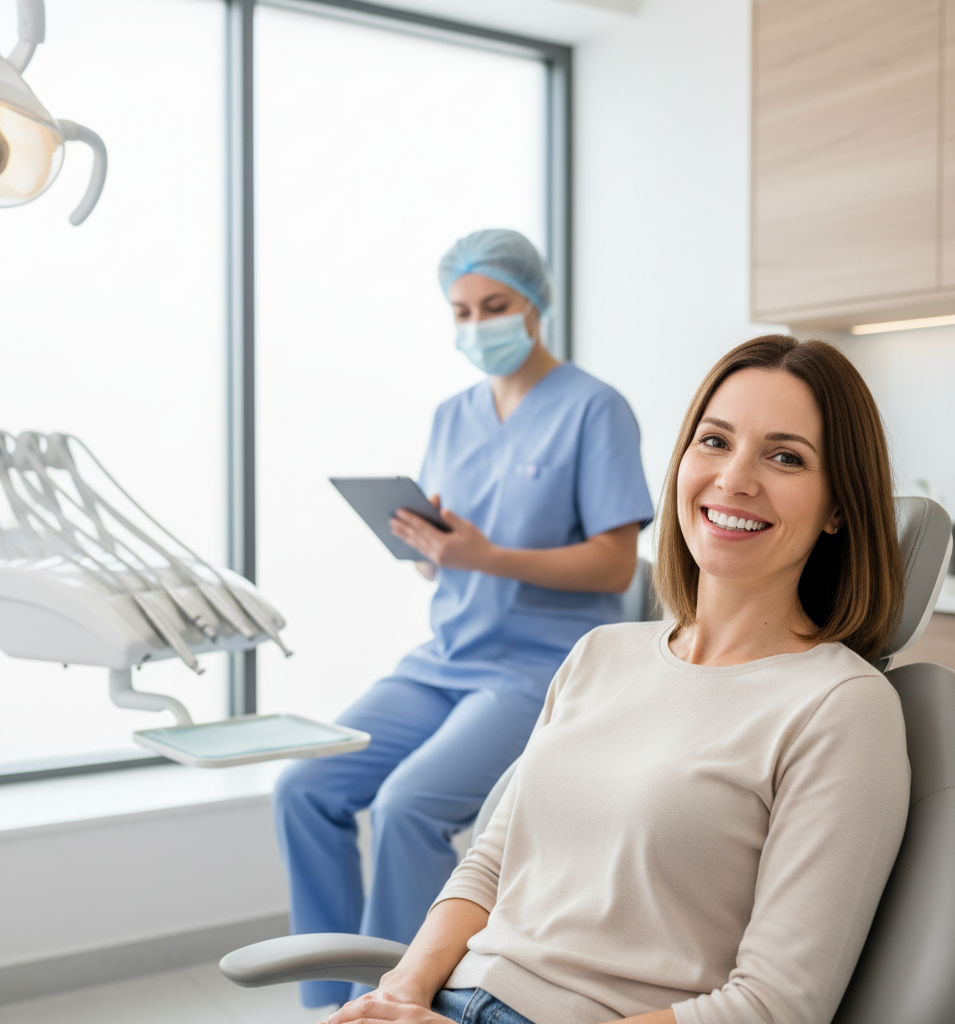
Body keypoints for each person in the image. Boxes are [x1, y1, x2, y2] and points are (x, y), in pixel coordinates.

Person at [325, 334, 911, 1024]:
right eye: (714, 442)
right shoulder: (600, 653)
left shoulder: (839, 707)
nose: (735, 479)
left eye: (785, 457)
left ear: (840, 505)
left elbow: (774, 1007)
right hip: (449, 998)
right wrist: (400, 992)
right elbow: (491, 865)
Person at [275, 228, 655, 1010]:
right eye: (461, 309)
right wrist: (429, 547)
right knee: (303, 786)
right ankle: (326, 1002)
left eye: (495, 305)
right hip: (443, 657)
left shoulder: (594, 409)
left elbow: (617, 567)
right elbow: (453, 550)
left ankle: (403, 999)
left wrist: (485, 557)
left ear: (535, 303)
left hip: (539, 664)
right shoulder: (452, 414)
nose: (477, 324)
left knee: (409, 805)